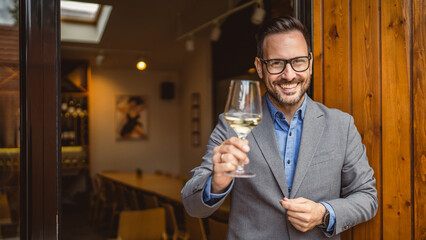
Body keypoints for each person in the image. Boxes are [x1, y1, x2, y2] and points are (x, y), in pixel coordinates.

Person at [181, 16, 378, 239]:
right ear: (260, 67)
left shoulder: (342, 125)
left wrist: (324, 213)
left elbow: (367, 197)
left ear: (310, 63)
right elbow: (192, 205)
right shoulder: (230, 125)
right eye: (276, 63)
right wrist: (215, 185)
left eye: (299, 61)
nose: (289, 74)